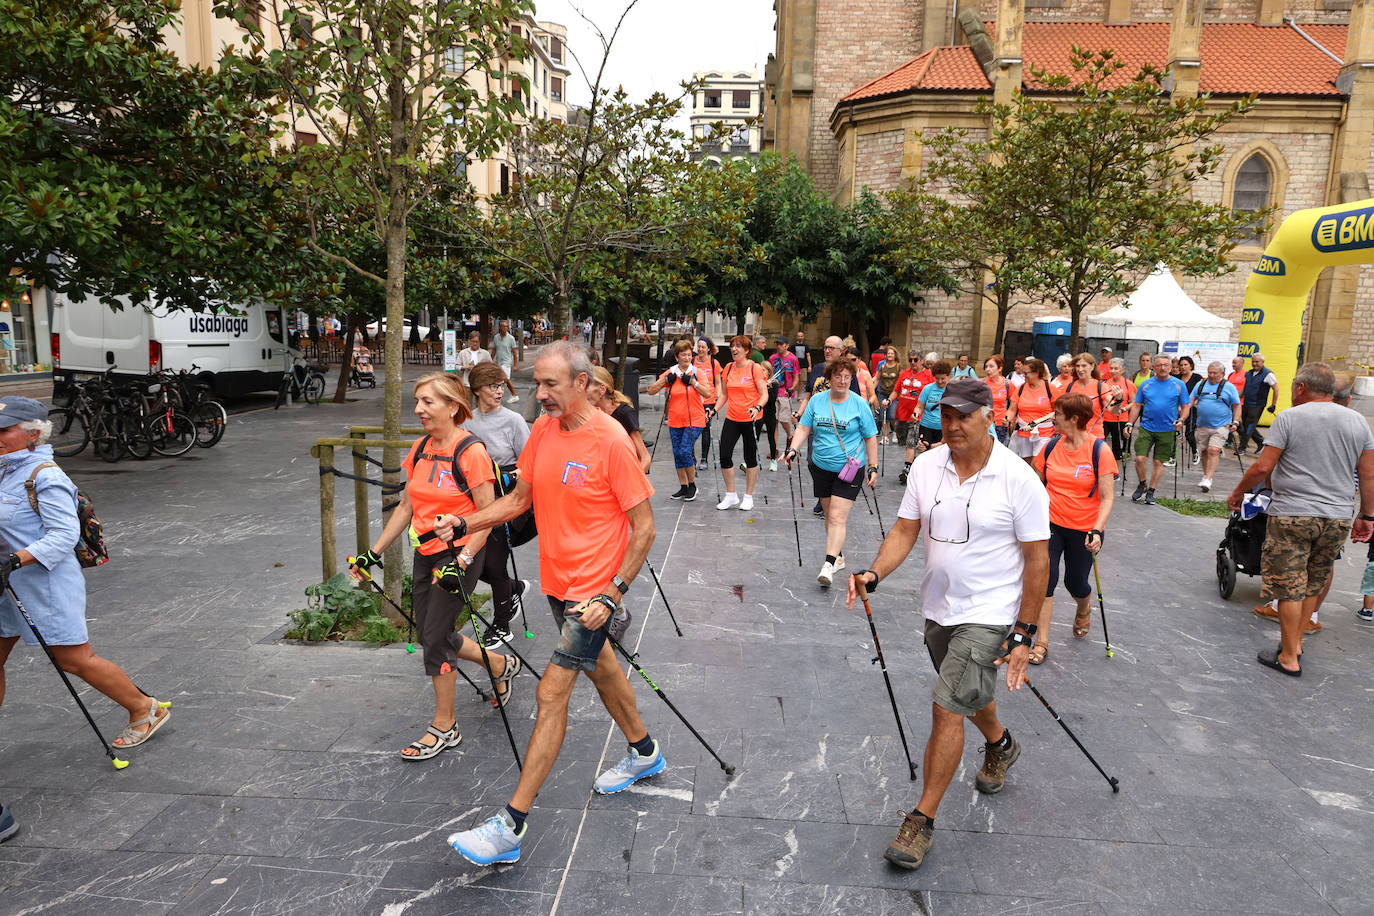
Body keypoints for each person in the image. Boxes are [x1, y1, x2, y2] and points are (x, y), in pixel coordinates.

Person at [444, 341, 664, 866]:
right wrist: (465, 522)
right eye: (536, 384)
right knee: (604, 669)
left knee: (551, 693)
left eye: (550, 385)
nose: (538, 395)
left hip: (593, 593)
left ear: (584, 384)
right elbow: (520, 501)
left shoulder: (611, 441)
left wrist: (613, 594)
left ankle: (510, 826)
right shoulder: (543, 430)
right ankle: (645, 752)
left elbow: (645, 528)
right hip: (556, 583)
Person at [844, 379, 1049, 871]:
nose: (952, 426)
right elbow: (905, 528)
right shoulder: (928, 466)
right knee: (966, 691)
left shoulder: (1018, 478)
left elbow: (1038, 562)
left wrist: (1023, 632)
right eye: (946, 416)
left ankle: (921, 820)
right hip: (939, 609)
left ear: (988, 415)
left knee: (946, 706)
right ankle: (1000, 745)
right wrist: (875, 571)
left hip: (990, 612)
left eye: (962, 416)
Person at [0, 396, 173, 796]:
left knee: (75, 660)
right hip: (6, 583)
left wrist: (17, 558)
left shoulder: (45, 475)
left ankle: (144, 708)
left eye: (4, 430)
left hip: (44, 583)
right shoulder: (5, 470)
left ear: (31, 434)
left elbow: (63, 536)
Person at [350, 375, 522, 759]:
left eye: (427, 402)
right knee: (432, 634)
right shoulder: (422, 447)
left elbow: (489, 515)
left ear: (453, 406)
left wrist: (460, 562)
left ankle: (445, 726)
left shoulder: (471, 452)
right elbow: (408, 506)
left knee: (434, 640)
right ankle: (499, 663)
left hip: (460, 552)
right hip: (426, 552)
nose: (418, 409)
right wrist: (373, 553)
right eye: (416, 401)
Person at [1228, 362, 1374, 677]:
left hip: (1293, 513)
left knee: (1288, 586)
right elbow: (1368, 474)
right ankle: (1295, 645)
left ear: (1300, 388)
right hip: (1336, 516)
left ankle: (1289, 658)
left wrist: (1239, 492)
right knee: (1313, 581)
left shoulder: (1290, 417)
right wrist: (1368, 515)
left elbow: (1262, 467)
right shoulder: (1358, 422)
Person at [1031, 393, 1116, 664]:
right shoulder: (1049, 447)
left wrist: (1098, 530)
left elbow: (1107, 497)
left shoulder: (1099, 450)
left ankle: (1084, 606)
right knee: (1046, 579)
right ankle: (1041, 642)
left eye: (1057, 413)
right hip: (1050, 524)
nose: (1052, 417)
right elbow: (1035, 485)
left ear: (1074, 419)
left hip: (1084, 529)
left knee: (1075, 582)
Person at [784, 356, 879, 586]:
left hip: (849, 469)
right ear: (830, 378)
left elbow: (870, 437)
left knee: (837, 515)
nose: (843, 381)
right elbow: (804, 427)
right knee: (829, 515)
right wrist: (793, 449)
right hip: (820, 466)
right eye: (838, 376)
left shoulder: (859, 404)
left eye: (847, 377)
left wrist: (874, 466)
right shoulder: (817, 401)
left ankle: (828, 564)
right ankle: (839, 555)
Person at [464, 363, 533, 643]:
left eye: (502, 385)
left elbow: (531, 464)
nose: (499, 391)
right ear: (477, 389)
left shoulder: (513, 420)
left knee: (493, 563)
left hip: (511, 499)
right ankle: (513, 588)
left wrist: (510, 475)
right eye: (493, 386)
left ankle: (502, 624)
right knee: (474, 564)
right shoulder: (466, 422)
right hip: (478, 499)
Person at [647, 340, 711, 500]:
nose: (687, 357)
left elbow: (707, 393)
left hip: (695, 419)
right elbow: (651, 391)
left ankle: (692, 485)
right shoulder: (672, 372)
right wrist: (665, 380)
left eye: (689, 354)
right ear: (677, 356)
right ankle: (683, 486)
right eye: (683, 355)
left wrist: (693, 383)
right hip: (675, 420)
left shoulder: (697, 372)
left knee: (684, 450)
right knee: (677, 453)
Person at [714, 335, 769, 511]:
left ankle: (748, 496)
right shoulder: (728, 368)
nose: (734, 349)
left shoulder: (755, 368)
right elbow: (723, 395)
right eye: (732, 346)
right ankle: (731, 495)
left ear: (746, 350)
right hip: (732, 418)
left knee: (750, 458)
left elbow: (764, 394)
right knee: (724, 455)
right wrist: (713, 410)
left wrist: (757, 407)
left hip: (751, 419)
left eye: (738, 346)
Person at [1127, 356, 1191, 506]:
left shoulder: (1179, 385)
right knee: (1140, 458)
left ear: (1170, 367)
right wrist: (1129, 423)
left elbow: (1186, 406)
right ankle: (1142, 484)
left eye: (1166, 365)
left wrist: (1181, 420)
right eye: (1159, 365)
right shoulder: (1146, 384)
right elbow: (1136, 405)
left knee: (1158, 462)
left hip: (1167, 429)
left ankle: (1151, 492)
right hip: (1146, 427)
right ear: (1153, 367)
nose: (1162, 368)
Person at [1190, 360, 1241, 493]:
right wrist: (1182, 415)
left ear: (1222, 374)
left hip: (1222, 425)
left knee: (1213, 450)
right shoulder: (1200, 385)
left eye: (1214, 373)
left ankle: (1208, 478)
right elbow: (1190, 401)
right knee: (1204, 451)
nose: (1211, 375)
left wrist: (1235, 422)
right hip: (1202, 425)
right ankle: (1207, 475)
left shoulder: (1229, 387)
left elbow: (1236, 406)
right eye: (1209, 373)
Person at [588, 367, 651, 474]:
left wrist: (633, 482)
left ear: (602, 390)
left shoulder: (624, 413)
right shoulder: (589, 413)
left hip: (623, 475)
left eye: (586, 387)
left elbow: (645, 457)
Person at [1058, 351, 1113, 440]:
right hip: (1073, 437)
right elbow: (1060, 411)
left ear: (1092, 366)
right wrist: (1036, 422)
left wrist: (1118, 399)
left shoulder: (1101, 386)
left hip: (1094, 437)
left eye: (1084, 366)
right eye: (1077, 366)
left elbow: (1113, 410)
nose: (1080, 369)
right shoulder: (1070, 387)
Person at [1008, 357, 1055, 464]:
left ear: (1036, 373)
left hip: (1044, 433)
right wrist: (1007, 419)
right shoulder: (1020, 388)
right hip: (1024, 432)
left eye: (1026, 373)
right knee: (1026, 464)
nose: (1023, 375)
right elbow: (1012, 409)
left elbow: (1058, 411)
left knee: (1037, 463)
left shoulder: (1050, 388)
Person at [768, 337, 802, 469]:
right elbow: (770, 373)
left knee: (783, 419)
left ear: (787, 346)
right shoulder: (772, 358)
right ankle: (775, 448)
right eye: (777, 344)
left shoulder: (793, 359)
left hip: (785, 393)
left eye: (781, 344)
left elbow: (796, 376)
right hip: (774, 391)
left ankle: (789, 435)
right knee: (774, 421)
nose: (779, 346)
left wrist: (792, 388)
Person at [894, 351, 927, 484]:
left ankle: (906, 469)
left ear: (922, 360)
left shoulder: (928, 375)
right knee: (904, 442)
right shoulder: (904, 373)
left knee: (911, 443)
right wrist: (889, 401)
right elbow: (896, 391)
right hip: (902, 415)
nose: (913, 362)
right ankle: (912, 465)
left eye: (915, 360)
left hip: (918, 417)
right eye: (910, 360)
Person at [693, 338, 723, 471]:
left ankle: (704, 458)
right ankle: (691, 457)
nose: (700, 349)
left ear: (708, 349)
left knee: (705, 428)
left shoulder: (713, 362)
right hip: (694, 399)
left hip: (708, 400)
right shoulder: (692, 361)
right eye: (698, 347)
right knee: (692, 428)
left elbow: (718, 382)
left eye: (703, 347)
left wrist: (718, 395)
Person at [1240, 353, 1279, 454]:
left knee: (1249, 425)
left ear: (1262, 362)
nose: (1254, 363)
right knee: (1245, 425)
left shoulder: (1268, 374)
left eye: (1257, 361)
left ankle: (1242, 448)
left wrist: (1273, 405)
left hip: (1258, 404)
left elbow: (1275, 389)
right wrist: (1238, 397)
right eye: (1253, 361)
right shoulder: (1248, 373)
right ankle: (1260, 442)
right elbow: (1245, 388)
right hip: (1246, 403)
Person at [913, 360, 952, 454]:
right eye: (937, 378)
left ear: (949, 375)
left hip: (944, 428)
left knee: (942, 454)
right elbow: (919, 407)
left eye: (943, 378)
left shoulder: (952, 390)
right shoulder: (928, 389)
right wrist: (916, 414)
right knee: (925, 452)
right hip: (927, 426)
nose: (940, 381)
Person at [1175, 355, 1205, 467]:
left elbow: (1201, 392)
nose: (1183, 367)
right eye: (1181, 365)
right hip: (1177, 408)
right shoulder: (1176, 378)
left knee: (1189, 433)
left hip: (1191, 408)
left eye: (1185, 365)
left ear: (1191, 366)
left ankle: (1194, 451)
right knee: (1174, 432)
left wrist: (1195, 402)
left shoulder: (1197, 378)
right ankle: (1172, 456)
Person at [982, 355, 1014, 445]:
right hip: (984, 423)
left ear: (1000, 368)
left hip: (1001, 424)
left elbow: (1013, 405)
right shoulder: (980, 383)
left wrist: (1009, 419)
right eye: (986, 367)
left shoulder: (1008, 384)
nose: (988, 369)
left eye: (991, 366)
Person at [490, 319, 520, 402]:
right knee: (499, 379)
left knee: (505, 379)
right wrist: (490, 361)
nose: (504, 328)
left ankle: (514, 395)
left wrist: (515, 365)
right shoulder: (496, 337)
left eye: (506, 326)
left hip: (506, 363)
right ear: (499, 327)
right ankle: (497, 395)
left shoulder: (511, 338)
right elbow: (494, 351)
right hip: (498, 362)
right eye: (503, 326)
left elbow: (514, 353)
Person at [876, 346, 901, 444]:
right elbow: (877, 378)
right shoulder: (882, 366)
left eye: (892, 353)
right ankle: (885, 437)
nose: (890, 355)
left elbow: (901, 380)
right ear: (885, 355)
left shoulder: (898, 366)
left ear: (895, 355)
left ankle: (895, 432)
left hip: (894, 394)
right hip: (883, 393)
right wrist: (871, 389)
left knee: (892, 415)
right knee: (883, 416)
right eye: (888, 353)